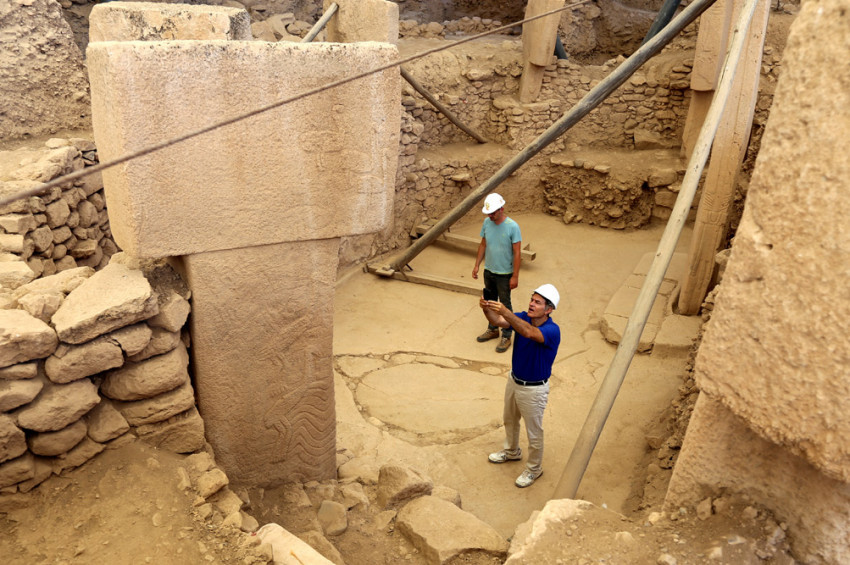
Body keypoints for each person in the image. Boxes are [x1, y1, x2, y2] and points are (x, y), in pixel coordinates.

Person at [480, 284, 561, 488]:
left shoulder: (552, 330)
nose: (531, 304)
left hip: (534, 389)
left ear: (549, 309)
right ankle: (511, 452)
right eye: (532, 300)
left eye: (537, 302)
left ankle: (534, 469)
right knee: (510, 420)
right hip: (514, 379)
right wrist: (486, 308)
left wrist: (506, 311)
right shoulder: (523, 316)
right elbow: (498, 321)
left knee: (534, 432)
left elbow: (528, 333)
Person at [472, 193, 522, 353]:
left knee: (504, 305)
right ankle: (493, 328)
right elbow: (483, 245)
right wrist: (477, 265)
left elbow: (517, 253)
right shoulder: (487, 223)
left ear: (501, 209)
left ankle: (507, 335)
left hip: (504, 274)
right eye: (488, 213)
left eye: (493, 212)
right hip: (489, 271)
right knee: (489, 301)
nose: (490, 216)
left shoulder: (512, 226)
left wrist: (515, 276)